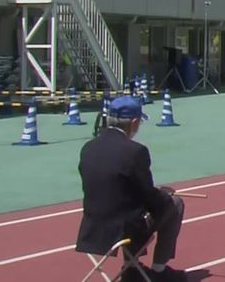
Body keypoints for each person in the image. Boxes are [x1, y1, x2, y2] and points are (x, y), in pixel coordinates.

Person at [76, 96, 187, 281]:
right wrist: (165, 195)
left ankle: (132, 267)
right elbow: (150, 198)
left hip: (92, 226)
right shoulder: (135, 151)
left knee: (130, 208)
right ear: (134, 122)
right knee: (174, 204)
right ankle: (159, 270)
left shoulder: (88, 147)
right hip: (124, 229)